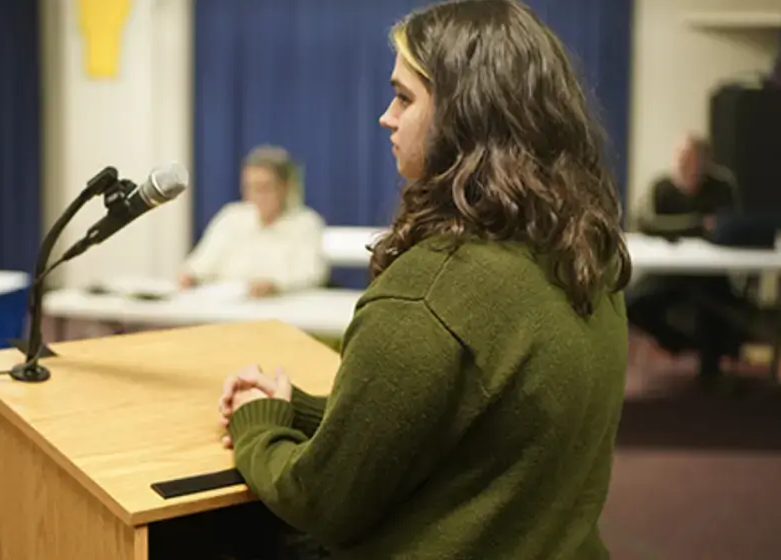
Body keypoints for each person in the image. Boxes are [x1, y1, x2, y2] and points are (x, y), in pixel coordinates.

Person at [216, 1, 632, 558]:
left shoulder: (429, 295)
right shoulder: (586, 255)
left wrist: (256, 424)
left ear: (468, 117)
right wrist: (296, 408)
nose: (386, 116)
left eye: (405, 97)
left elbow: (317, 500)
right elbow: (479, 430)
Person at [628, 134, 750, 378]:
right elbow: (646, 224)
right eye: (681, 159)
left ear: (705, 162)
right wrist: (696, 224)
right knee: (630, 304)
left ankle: (710, 368)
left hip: (710, 273)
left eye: (691, 159)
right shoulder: (662, 187)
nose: (684, 165)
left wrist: (677, 228)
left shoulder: (721, 187)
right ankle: (680, 344)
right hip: (668, 271)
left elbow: (728, 227)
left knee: (718, 308)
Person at [179, 145, 328, 298]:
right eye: (250, 187)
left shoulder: (306, 223)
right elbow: (200, 263)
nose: (257, 196)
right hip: (227, 306)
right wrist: (190, 276)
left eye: (264, 187)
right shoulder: (231, 217)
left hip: (280, 309)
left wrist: (275, 286)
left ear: (284, 187)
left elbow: (311, 274)